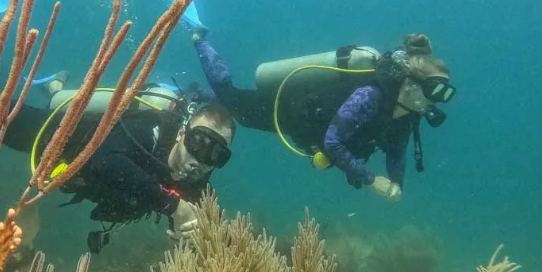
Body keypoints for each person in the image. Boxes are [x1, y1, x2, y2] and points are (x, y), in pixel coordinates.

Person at [0, 9, 235, 252]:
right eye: (197, 143)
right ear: (181, 134)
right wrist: (173, 206)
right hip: (61, 138)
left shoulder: (198, 187)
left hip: (79, 178)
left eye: (215, 156)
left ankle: (55, 89)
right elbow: (105, 161)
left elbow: (217, 233)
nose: (199, 161)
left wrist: (191, 235)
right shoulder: (150, 129)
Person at [192, 28, 456, 202]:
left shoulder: (408, 115)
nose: (433, 102)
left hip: (309, 133)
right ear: (411, 84)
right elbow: (333, 141)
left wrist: (396, 182)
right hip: (290, 110)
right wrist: (370, 179)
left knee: (235, 107)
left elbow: (396, 151)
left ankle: (204, 97)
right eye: (432, 91)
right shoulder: (371, 96)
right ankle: (199, 39)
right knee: (233, 101)